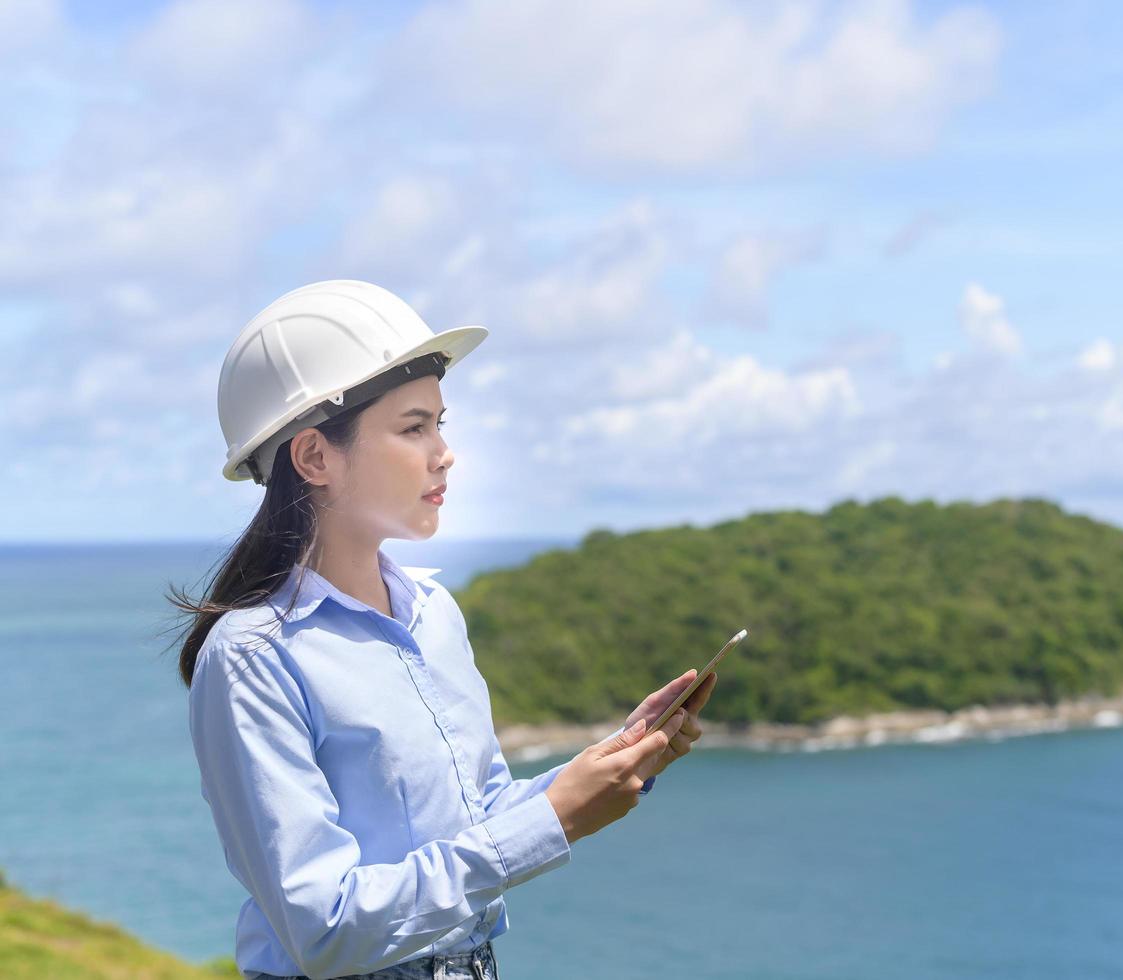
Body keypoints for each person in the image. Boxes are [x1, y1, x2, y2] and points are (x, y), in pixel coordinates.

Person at [169, 280, 716, 980]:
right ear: (314, 458)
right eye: (413, 427)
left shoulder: (433, 614)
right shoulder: (253, 654)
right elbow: (323, 929)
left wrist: (610, 765)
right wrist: (555, 818)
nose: (444, 452)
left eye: (440, 423)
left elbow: (478, 814)